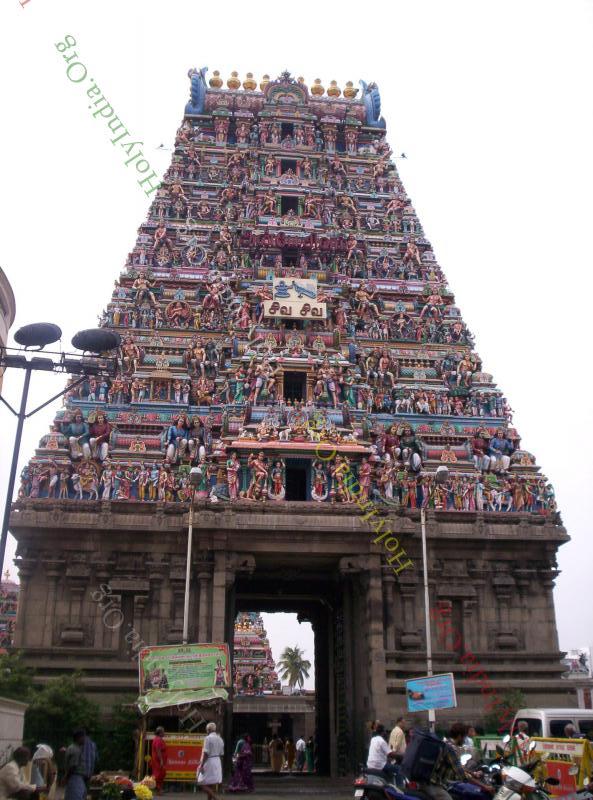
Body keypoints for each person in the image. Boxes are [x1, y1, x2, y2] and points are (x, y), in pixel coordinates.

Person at [197, 722, 224, 800]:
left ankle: (216, 798)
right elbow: (221, 753)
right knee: (210, 783)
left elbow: (206, 753)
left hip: (209, 761)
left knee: (200, 782)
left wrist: (201, 765)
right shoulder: (220, 739)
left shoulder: (208, 738)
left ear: (208, 730)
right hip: (217, 760)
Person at [64, 731, 87, 800]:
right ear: (79, 738)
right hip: (75, 778)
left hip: (76, 778)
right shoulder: (75, 750)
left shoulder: (74, 748)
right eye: (83, 737)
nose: (84, 739)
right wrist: (66, 777)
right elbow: (73, 766)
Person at [151, 727, 167, 794]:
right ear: (160, 733)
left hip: (159, 760)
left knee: (161, 774)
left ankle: (158, 789)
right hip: (157, 761)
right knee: (158, 775)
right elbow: (158, 750)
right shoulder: (158, 740)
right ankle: (155, 788)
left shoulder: (159, 739)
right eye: (163, 732)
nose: (164, 733)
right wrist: (161, 760)